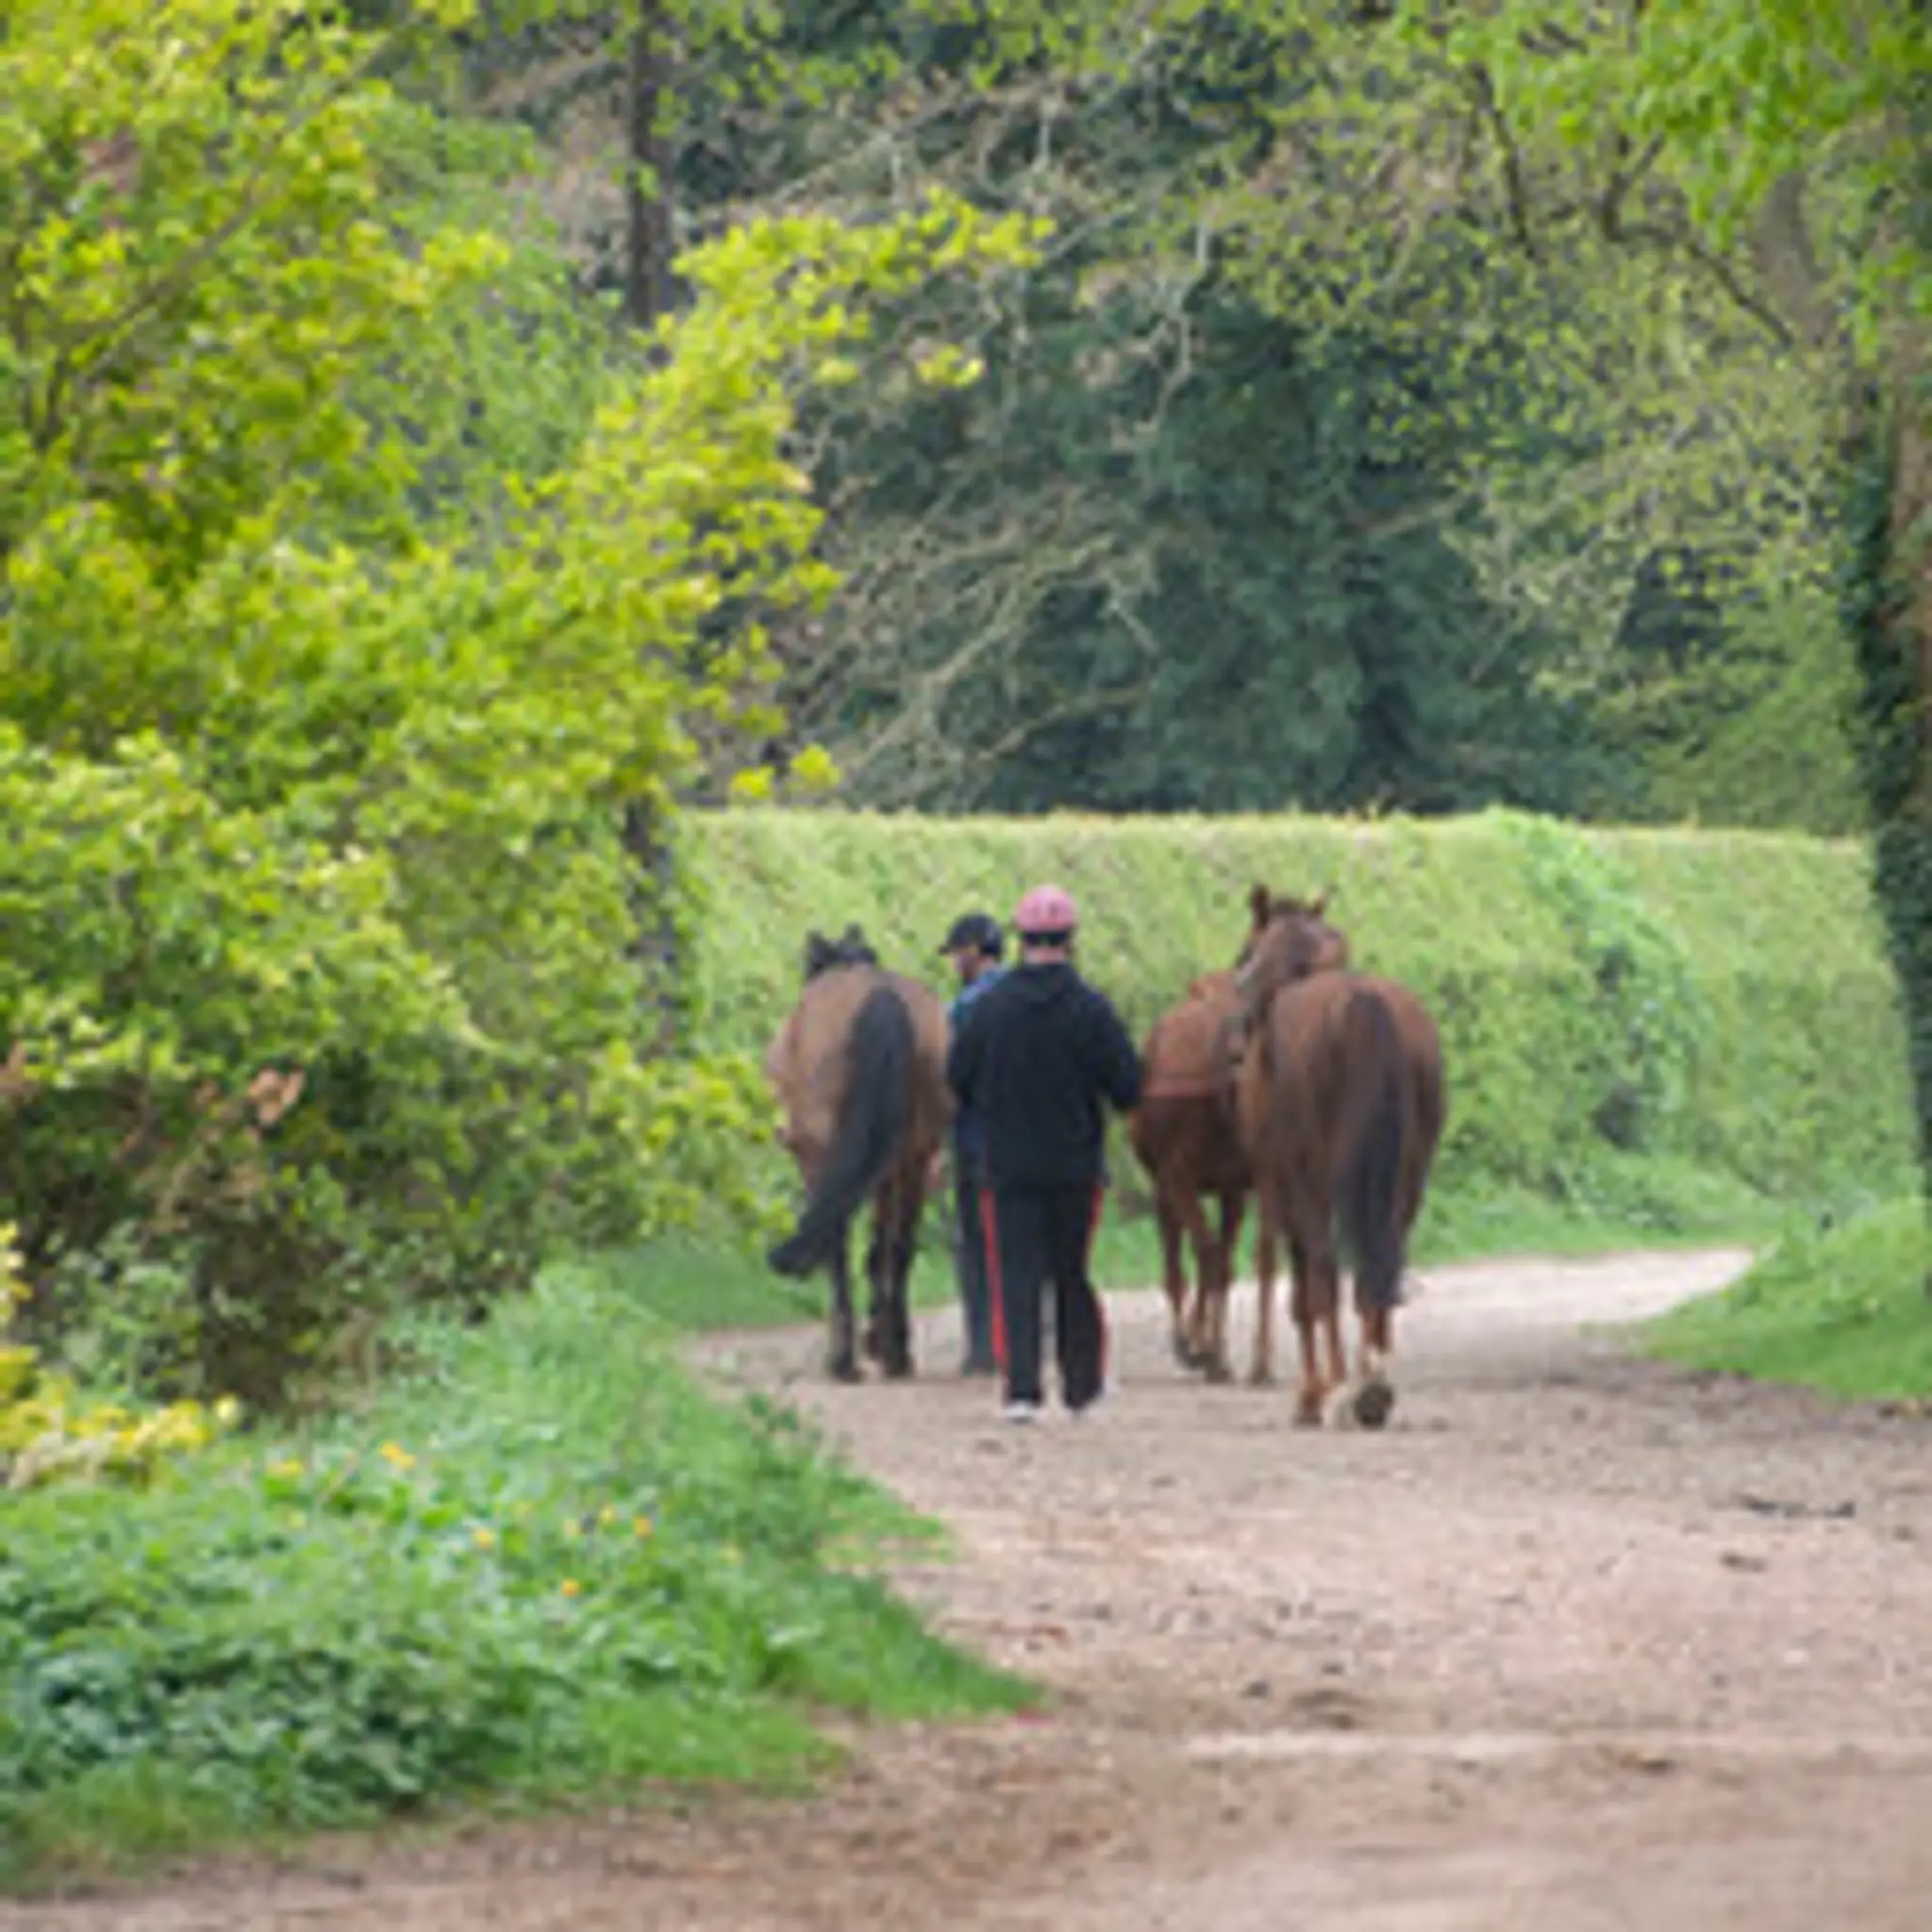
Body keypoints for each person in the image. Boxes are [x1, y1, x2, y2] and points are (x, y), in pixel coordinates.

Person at [945, 883, 1142, 1423]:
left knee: (1015, 1272)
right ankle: (1082, 1386)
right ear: (1070, 940)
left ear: (1022, 939)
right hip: (1075, 1167)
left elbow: (957, 1079)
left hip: (1006, 1165)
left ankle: (1022, 1391)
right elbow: (1128, 1087)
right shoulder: (1092, 1009)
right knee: (1071, 1272)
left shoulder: (990, 1010)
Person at [938, 909, 1008, 1376]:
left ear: (974, 952)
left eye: (958, 953)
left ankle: (983, 1344)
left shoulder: (961, 1010)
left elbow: (947, 1078)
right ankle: (1023, 1334)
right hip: (1025, 1140)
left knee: (976, 1242)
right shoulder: (1022, 995)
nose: (954, 963)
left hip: (975, 1138)